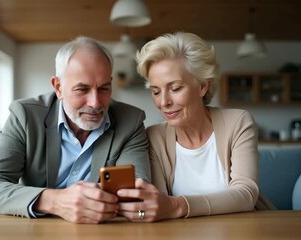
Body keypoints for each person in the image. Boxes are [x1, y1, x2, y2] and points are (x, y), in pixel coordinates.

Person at [0, 36, 151, 224]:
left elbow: (137, 192)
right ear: (58, 87)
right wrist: (55, 201)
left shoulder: (131, 121)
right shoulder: (25, 116)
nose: (96, 103)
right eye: (82, 89)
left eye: (104, 88)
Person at [116, 32, 275, 222]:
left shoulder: (238, 122)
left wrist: (179, 206)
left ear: (202, 86)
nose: (163, 102)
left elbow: (246, 194)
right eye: (156, 91)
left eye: (175, 88)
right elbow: (158, 206)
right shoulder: (154, 137)